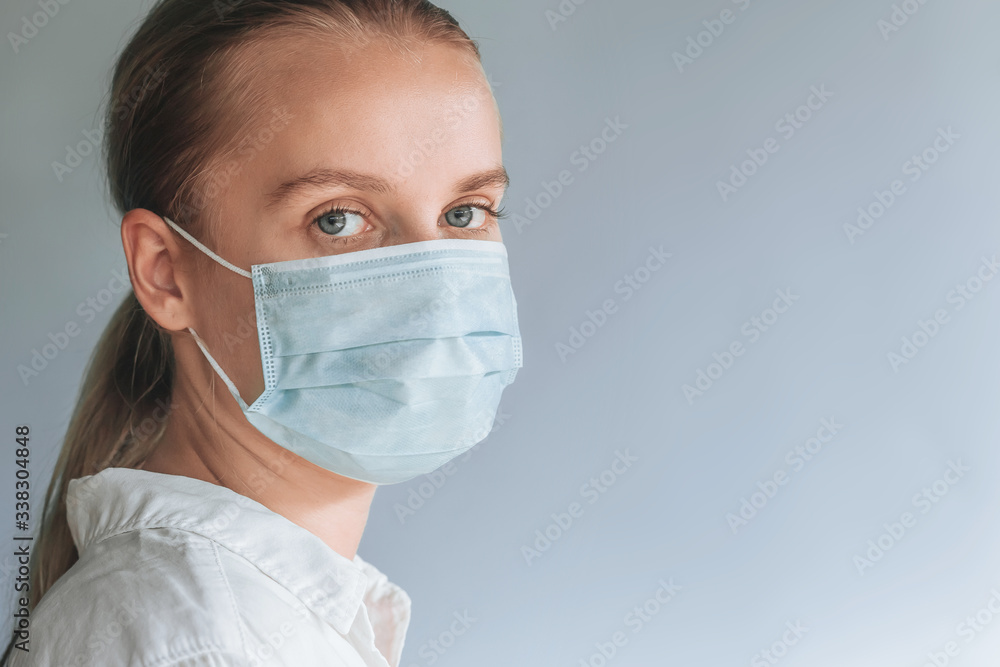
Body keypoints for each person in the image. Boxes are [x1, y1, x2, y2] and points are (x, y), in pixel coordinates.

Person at [1, 1, 523, 664]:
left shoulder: (239, 613)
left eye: (465, 210)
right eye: (337, 219)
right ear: (166, 272)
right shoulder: (198, 640)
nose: (432, 285)